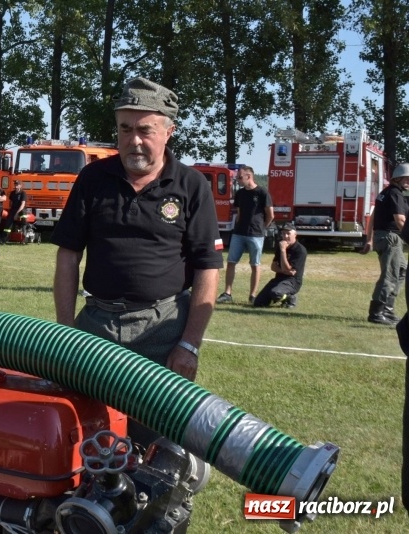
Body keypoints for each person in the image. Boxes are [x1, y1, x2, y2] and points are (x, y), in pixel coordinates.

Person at [51, 76, 223, 445]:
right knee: (84, 431)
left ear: (168, 131)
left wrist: (189, 344)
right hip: (94, 325)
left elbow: (208, 268)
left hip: (161, 329)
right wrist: (64, 333)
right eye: (125, 129)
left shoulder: (192, 185)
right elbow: (68, 257)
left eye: (145, 130)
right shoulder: (93, 178)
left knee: (155, 437)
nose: (134, 140)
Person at [216, 165, 274, 304]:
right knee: (231, 262)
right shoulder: (240, 194)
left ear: (249, 176)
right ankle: (227, 293)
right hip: (239, 233)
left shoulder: (262, 193)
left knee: (255, 265)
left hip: (256, 235)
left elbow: (270, 215)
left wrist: (262, 228)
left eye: (240, 177)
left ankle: (253, 295)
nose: (238, 180)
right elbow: (240, 213)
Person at [360, 163, 409, 325]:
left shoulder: (385, 193)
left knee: (401, 270)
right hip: (391, 238)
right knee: (389, 275)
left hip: (385, 237)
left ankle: (387, 309)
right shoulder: (395, 194)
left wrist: (369, 239)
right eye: (407, 179)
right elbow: (400, 219)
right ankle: (376, 313)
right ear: (398, 178)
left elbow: (373, 217)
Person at [252, 223, 306, 308]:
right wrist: (284, 271)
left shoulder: (300, 250)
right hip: (279, 279)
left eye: (288, 233)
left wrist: (283, 251)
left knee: (276, 293)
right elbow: (273, 267)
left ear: (295, 234)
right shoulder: (280, 246)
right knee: (258, 303)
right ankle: (282, 297)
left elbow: (289, 270)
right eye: (283, 233)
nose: (285, 236)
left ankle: (290, 298)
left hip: (292, 281)